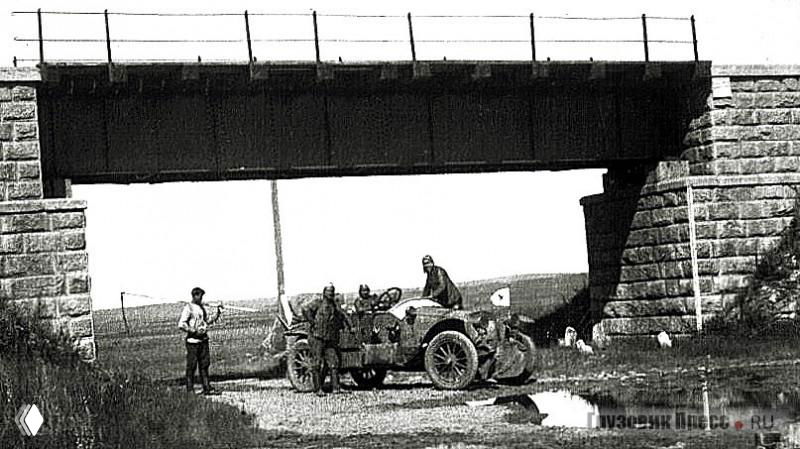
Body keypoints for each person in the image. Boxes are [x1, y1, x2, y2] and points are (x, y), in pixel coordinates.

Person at [302, 283, 353, 395]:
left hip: (329, 338)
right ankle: (317, 389)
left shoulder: (334, 305)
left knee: (334, 362)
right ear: (324, 292)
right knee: (317, 363)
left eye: (332, 292)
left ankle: (336, 388)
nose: (330, 294)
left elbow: (343, 314)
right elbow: (305, 309)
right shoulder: (318, 302)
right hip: (317, 337)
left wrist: (350, 326)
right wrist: (312, 322)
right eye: (328, 291)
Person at [177, 287, 223, 395]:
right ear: (194, 295)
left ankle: (207, 388)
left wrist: (218, 313)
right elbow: (181, 324)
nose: (201, 298)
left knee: (204, 365)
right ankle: (190, 390)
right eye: (200, 296)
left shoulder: (201, 308)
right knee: (192, 366)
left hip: (203, 341)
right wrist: (193, 330)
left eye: (202, 296)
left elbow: (206, 322)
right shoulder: (189, 308)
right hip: (193, 342)